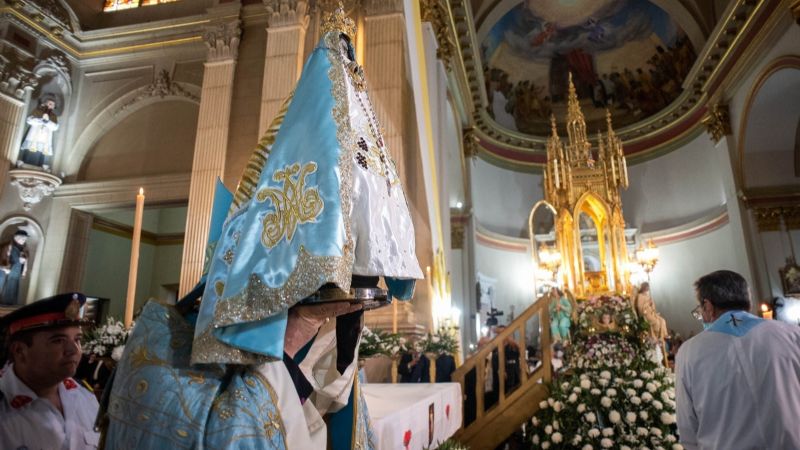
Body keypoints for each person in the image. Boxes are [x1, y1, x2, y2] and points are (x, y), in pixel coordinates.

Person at [102, 6, 421, 449]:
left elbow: (319, 408)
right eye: (338, 291)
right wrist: (292, 337)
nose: (346, 318)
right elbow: (242, 426)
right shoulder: (162, 352)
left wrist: (317, 349)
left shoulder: (325, 342)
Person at [676, 270, 800, 450]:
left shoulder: (689, 352)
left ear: (708, 306)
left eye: (700, 310)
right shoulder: (792, 334)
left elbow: (688, 429)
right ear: (748, 301)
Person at [0, 292, 100, 449]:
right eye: (58, 340)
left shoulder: (85, 396)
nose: (73, 350)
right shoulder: (5, 407)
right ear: (20, 351)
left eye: (77, 340)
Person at [19, 97, 59, 169]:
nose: (51, 106)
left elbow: (55, 127)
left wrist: (47, 122)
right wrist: (41, 120)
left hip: (45, 138)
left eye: (53, 105)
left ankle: (40, 166)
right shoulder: (38, 111)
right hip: (34, 135)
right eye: (50, 104)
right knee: (30, 151)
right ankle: (24, 163)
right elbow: (29, 120)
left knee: (41, 154)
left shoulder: (53, 116)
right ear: (45, 104)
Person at [0, 229, 29, 305]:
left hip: (16, 273)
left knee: (12, 292)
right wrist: (4, 268)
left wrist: (22, 263)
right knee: (5, 291)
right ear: (16, 238)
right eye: (22, 238)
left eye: (25, 239)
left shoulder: (23, 249)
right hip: (6, 273)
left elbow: (24, 262)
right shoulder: (7, 246)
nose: (24, 240)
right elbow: (3, 258)